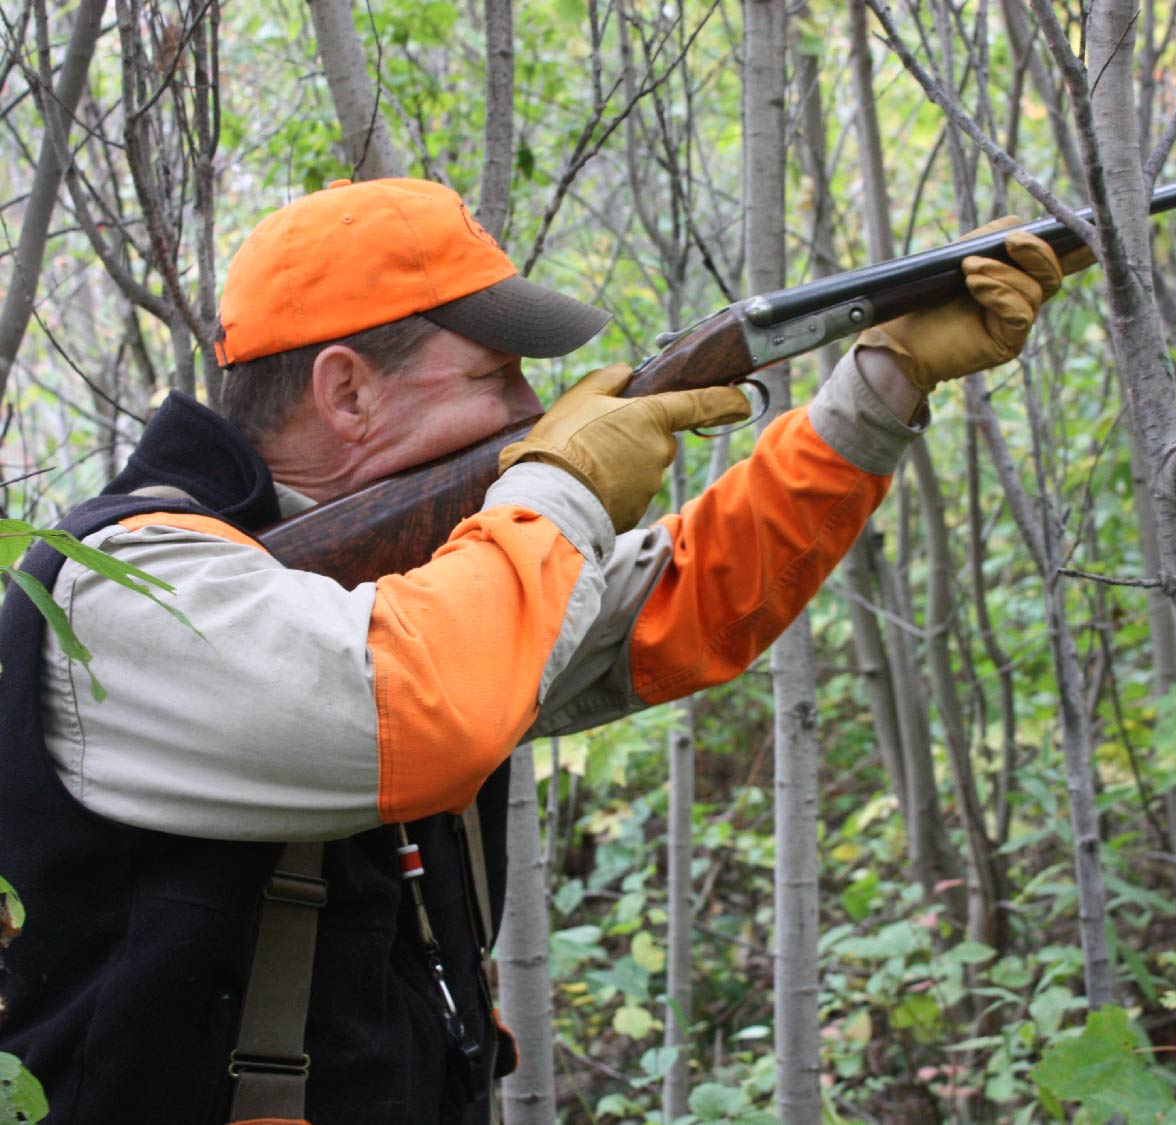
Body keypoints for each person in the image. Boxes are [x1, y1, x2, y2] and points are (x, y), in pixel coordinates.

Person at [0, 177, 1072, 1124]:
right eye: (495, 376)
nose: (531, 410)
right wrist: (556, 488)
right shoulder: (130, 589)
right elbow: (418, 709)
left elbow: (683, 607)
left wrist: (878, 385)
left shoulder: (411, 581)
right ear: (346, 391)